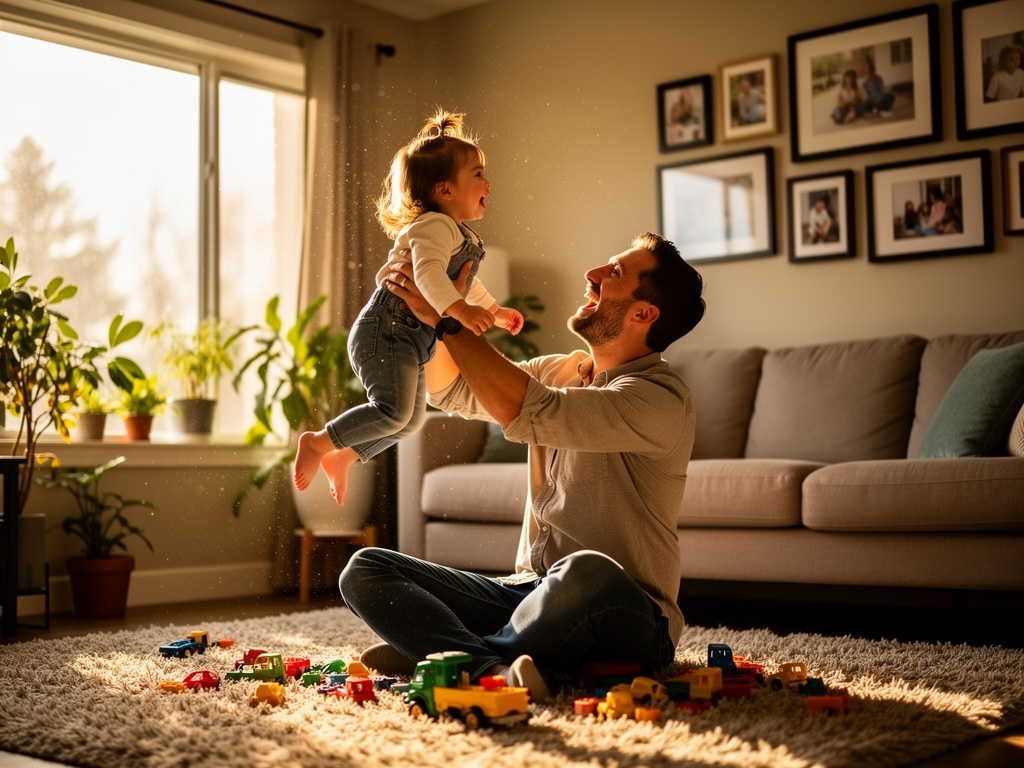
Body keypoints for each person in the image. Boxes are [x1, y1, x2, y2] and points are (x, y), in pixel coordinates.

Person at [339, 232, 706, 701]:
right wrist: (418, 316)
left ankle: (447, 655)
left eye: (613, 273)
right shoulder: (558, 371)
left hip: (627, 612)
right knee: (366, 570)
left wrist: (450, 321)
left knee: (586, 573)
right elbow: (452, 389)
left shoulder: (659, 399)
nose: (592, 275)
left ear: (642, 314)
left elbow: (531, 409)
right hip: (526, 596)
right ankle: (487, 667)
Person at [293, 111, 523, 506]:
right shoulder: (434, 226)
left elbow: (466, 281)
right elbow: (430, 276)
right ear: (445, 190)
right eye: (478, 174)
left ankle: (345, 455)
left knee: (409, 421)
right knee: (395, 414)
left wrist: (495, 310)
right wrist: (461, 312)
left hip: (409, 338)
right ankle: (318, 442)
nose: (488, 183)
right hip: (386, 331)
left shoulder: (457, 233)